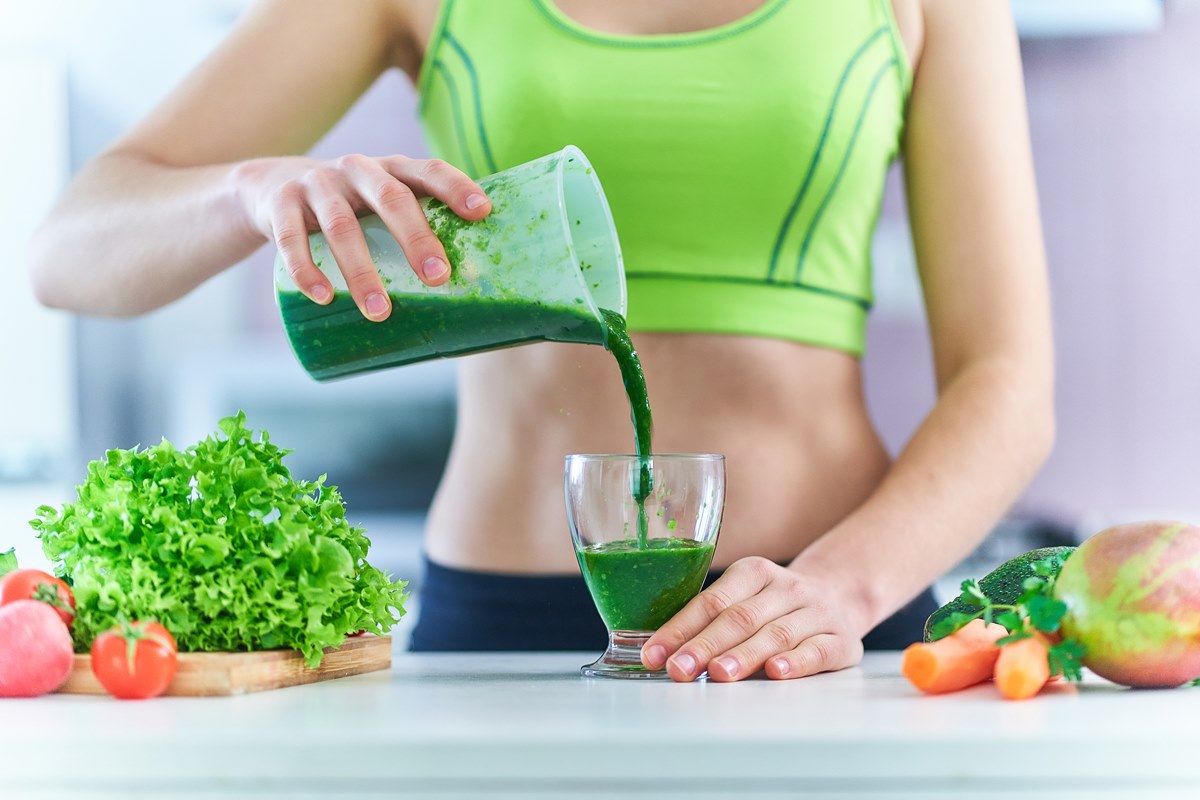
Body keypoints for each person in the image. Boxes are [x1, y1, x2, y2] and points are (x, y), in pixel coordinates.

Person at [29, 0, 1053, 683]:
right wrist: (247, 188)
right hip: (502, 633)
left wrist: (844, 586)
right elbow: (70, 249)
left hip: (832, 625)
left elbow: (1008, 377)